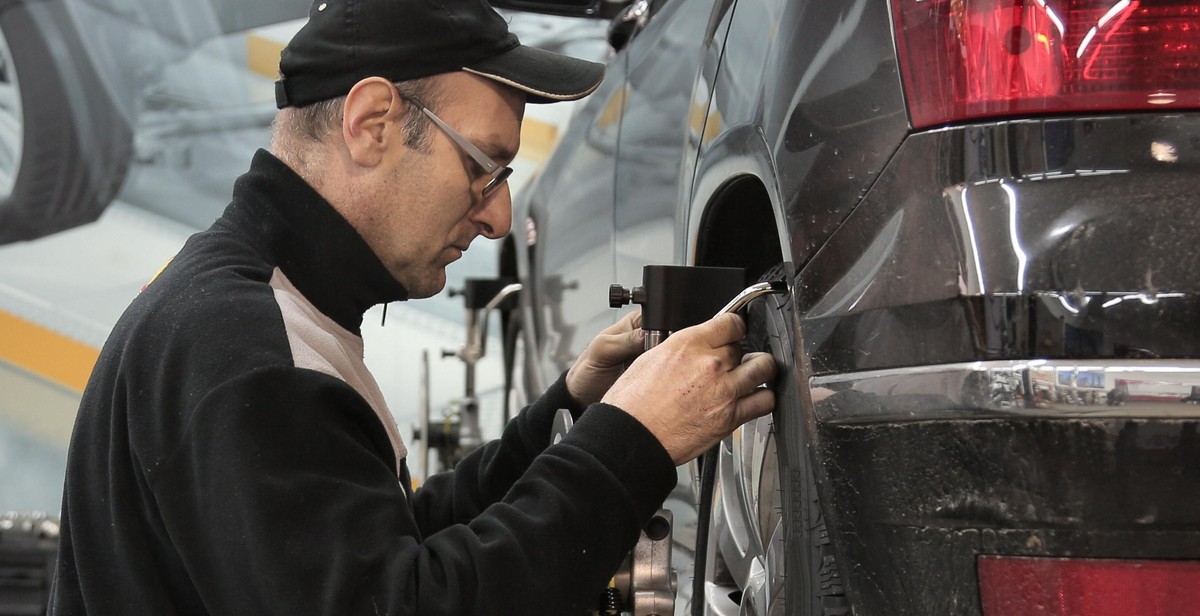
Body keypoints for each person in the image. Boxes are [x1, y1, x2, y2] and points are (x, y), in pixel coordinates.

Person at [48, 0, 777, 614]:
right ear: (372, 124)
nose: (498, 217)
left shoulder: (266, 309)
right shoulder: (244, 349)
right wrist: (632, 444)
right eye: (483, 167)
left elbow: (388, 544)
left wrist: (568, 415)